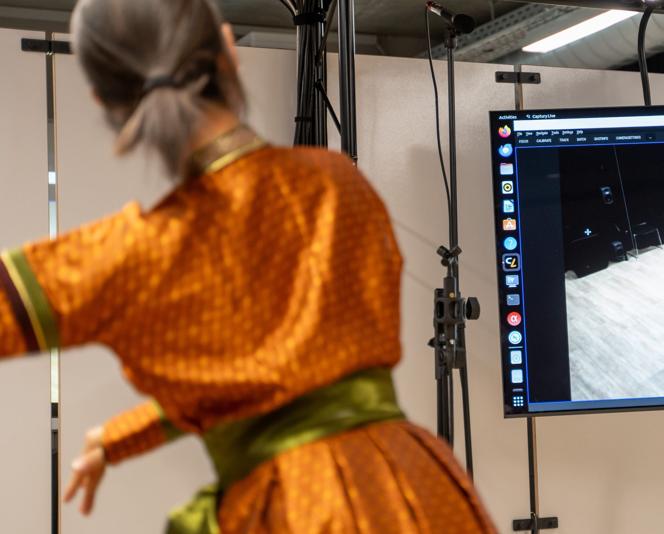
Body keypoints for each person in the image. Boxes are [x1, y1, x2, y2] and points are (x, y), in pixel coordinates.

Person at [0, 0, 496, 532]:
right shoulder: (337, 183)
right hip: (413, 489)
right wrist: (118, 438)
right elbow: (280, 381)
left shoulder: (138, 252)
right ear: (228, 51)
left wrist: (116, 439)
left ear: (104, 100)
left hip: (294, 510)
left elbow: (258, 388)